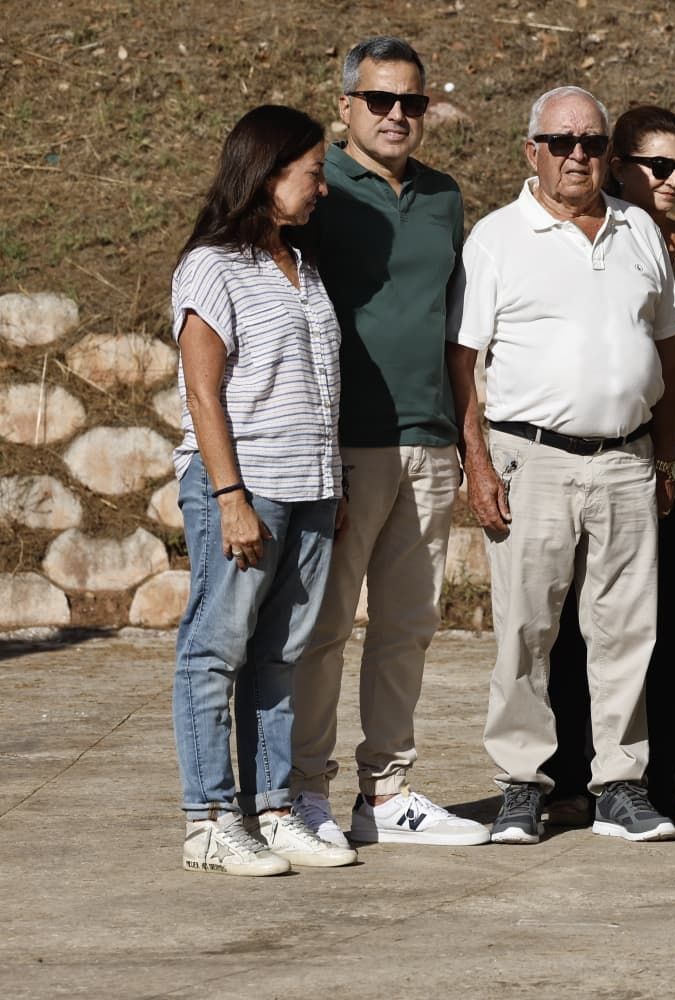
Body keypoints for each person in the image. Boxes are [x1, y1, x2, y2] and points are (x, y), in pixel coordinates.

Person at [448, 85, 675, 845]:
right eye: (561, 142)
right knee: (525, 631)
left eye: (591, 142)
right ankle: (523, 786)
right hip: (532, 460)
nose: (577, 155)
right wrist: (477, 462)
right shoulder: (495, 238)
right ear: (533, 151)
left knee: (627, 631)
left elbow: (667, 343)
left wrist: (666, 453)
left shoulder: (638, 229)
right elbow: (462, 361)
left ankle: (620, 785)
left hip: (627, 458)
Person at [287, 37, 487, 848]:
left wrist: (469, 444)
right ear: (345, 107)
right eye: (380, 99)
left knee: (407, 626)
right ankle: (304, 793)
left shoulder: (443, 197)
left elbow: (456, 333)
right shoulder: (316, 187)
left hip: (427, 442)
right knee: (324, 629)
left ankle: (386, 793)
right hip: (343, 446)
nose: (397, 114)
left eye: (412, 101)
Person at [544, 106, 675, 828]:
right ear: (619, 165)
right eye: (659, 166)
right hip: (611, 451)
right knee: (590, 619)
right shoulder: (591, 243)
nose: (674, 180)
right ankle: (576, 776)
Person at [171, 104, 356, 875]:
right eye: (313, 173)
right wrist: (229, 497)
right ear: (268, 173)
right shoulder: (212, 265)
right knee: (214, 653)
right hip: (247, 489)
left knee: (280, 656)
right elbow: (202, 393)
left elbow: (316, 386)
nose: (322, 188)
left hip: (310, 491)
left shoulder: (302, 267)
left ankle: (274, 812)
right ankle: (210, 821)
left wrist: (333, 487)